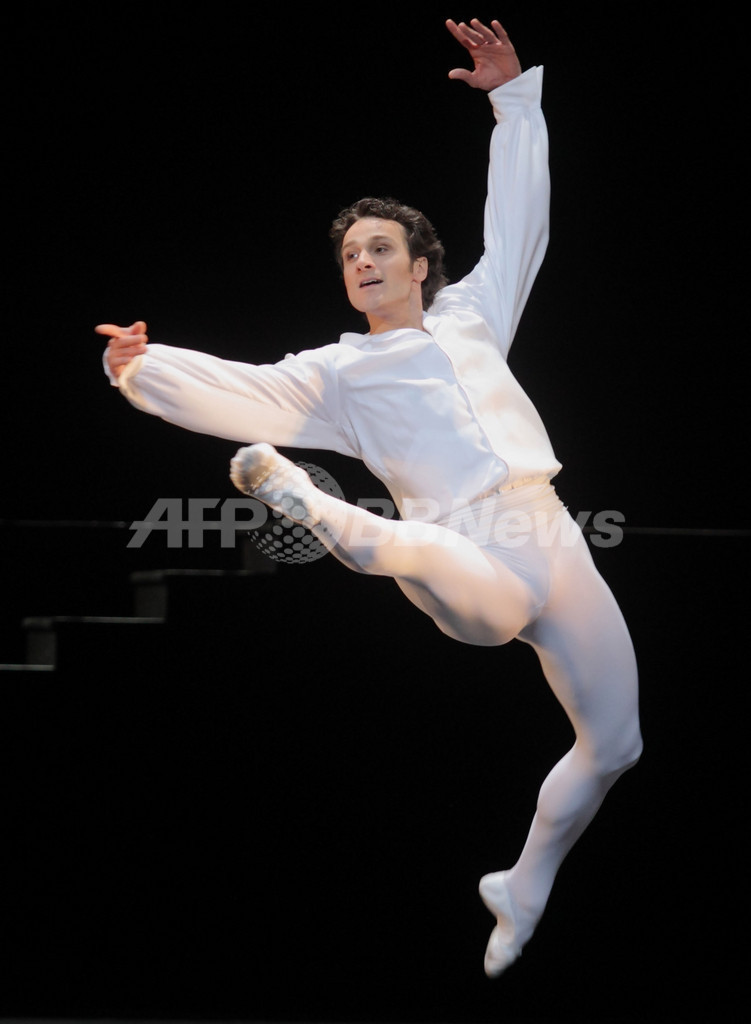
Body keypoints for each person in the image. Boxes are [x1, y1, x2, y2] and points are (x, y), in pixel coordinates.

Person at [96, 17, 643, 978]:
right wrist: (143, 369)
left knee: (615, 747)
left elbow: (521, 220)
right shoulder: (336, 374)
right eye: (351, 254)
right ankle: (308, 501)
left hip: (549, 533)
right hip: (464, 554)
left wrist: (513, 102)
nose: (363, 262)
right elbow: (241, 388)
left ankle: (520, 886)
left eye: (380, 247)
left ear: (419, 265)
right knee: (425, 555)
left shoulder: (474, 314)